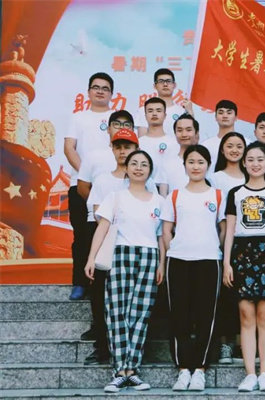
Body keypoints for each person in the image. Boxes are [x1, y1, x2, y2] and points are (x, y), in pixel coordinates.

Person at [84, 150, 165, 393]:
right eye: (134, 163)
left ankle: (133, 370)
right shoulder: (115, 197)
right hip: (121, 254)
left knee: (141, 313)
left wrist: (162, 263)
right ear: (127, 169)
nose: (139, 168)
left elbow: (161, 237)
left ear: (150, 171)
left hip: (149, 256)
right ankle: (119, 371)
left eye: (144, 164)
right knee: (117, 311)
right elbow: (102, 229)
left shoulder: (159, 201)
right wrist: (91, 258)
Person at [222, 141, 265, 392]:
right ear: (244, 163)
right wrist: (227, 263)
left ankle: (264, 373)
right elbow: (229, 230)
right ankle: (250, 373)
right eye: (250, 159)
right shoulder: (235, 193)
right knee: (246, 315)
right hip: (242, 253)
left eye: (260, 159)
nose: (255, 164)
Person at [161, 145, 226, 391]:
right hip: (178, 260)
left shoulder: (217, 195)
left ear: (208, 165)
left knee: (206, 315)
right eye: (191, 162)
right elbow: (166, 230)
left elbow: (223, 229)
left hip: (209, 260)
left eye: (200, 162)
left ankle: (200, 369)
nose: (196, 166)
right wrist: (174, 248)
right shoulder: (175, 195)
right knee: (179, 315)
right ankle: (183, 369)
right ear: (184, 165)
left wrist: (214, 246)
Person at [82, 128, 141, 366]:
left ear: (136, 149)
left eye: (127, 147)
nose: (123, 151)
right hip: (107, 241)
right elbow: (98, 214)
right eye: (118, 147)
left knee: (131, 298)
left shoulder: (143, 178)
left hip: (134, 244)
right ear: (112, 149)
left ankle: (131, 348)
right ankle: (102, 347)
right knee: (100, 295)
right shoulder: (103, 180)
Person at [64, 72, 115, 301]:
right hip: (81, 185)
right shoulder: (79, 118)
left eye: (105, 88)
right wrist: (87, 175)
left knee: (111, 234)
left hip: (112, 186)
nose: (100, 91)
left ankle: (107, 281)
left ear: (112, 93)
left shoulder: (117, 117)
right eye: (96, 87)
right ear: (88, 92)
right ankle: (80, 282)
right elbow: (69, 148)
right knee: (83, 235)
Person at [210, 131, 247, 364]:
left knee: (245, 295)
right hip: (221, 240)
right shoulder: (215, 178)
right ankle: (225, 344)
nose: (234, 150)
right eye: (230, 146)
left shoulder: (251, 175)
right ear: (222, 150)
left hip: (247, 242)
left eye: (239, 146)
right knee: (225, 295)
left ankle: (243, 344)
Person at [136, 68, 193, 137]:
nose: (165, 84)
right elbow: (142, 138)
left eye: (169, 81)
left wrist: (190, 111)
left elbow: (190, 135)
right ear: (155, 86)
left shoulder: (182, 111)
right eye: (161, 81)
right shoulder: (145, 110)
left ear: (174, 85)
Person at [157, 114, 200, 195]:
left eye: (188, 130)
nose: (184, 134)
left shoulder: (204, 160)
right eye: (179, 130)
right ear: (175, 133)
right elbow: (163, 194)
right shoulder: (167, 161)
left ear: (196, 133)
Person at [201, 99, 239, 175]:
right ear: (215, 117)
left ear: (236, 118)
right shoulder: (205, 146)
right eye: (221, 112)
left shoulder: (246, 143)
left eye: (229, 113)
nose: (225, 116)